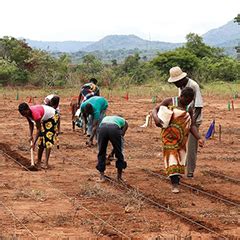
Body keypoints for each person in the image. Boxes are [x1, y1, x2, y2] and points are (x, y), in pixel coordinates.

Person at [152, 87, 204, 193]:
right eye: (187, 100)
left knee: (180, 158)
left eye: (190, 100)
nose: (188, 102)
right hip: (168, 136)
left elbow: (192, 125)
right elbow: (155, 109)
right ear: (181, 97)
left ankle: (176, 177)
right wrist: (156, 119)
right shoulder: (170, 101)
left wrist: (199, 138)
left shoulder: (189, 108)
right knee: (172, 157)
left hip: (181, 138)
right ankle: (175, 184)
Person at [168, 66, 203, 178]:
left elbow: (198, 107)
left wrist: (190, 122)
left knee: (192, 148)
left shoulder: (193, 85)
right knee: (180, 145)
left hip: (193, 120)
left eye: (176, 82)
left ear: (181, 79)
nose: (175, 84)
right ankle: (180, 170)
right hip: (182, 121)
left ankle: (190, 173)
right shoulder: (181, 86)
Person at [18, 102, 59, 169]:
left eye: (25, 113)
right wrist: (31, 135)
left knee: (48, 139)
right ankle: (39, 162)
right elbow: (30, 124)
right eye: (22, 114)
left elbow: (38, 129)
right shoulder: (27, 114)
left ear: (28, 109)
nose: (24, 115)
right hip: (44, 119)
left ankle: (46, 164)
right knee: (41, 140)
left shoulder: (35, 114)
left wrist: (34, 143)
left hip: (52, 117)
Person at [97, 115, 128, 182]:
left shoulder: (106, 118)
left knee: (101, 151)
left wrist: (111, 153)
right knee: (119, 152)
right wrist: (115, 150)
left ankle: (102, 177)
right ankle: (119, 178)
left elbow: (100, 127)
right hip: (114, 129)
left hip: (102, 128)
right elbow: (121, 136)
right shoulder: (124, 122)